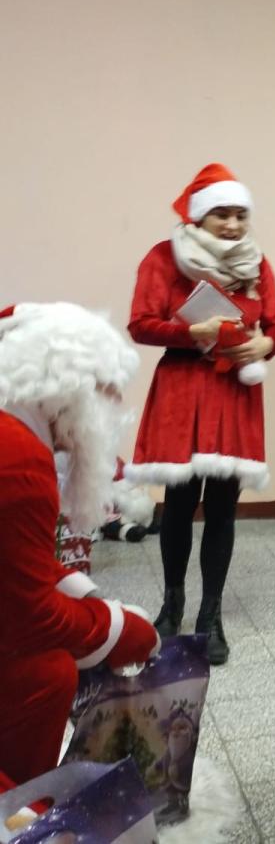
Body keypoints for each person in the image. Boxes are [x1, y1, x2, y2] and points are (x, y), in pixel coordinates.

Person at [126, 163, 275, 665]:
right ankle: (172, 604)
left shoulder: (256, 262)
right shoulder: (164, 257)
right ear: (198, 216)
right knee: (178, 503)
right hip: (182, 389)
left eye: (241, 215)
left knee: (222, 507)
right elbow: (140, 324)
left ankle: (210, 616)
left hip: (234, 392)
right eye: (223, 214)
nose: (234, 225)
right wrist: (190, 333)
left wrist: (266, 344)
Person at [0, 303, 161, 785]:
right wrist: (122, 630)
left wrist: (89, 599)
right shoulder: (18, 457)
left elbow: (15, 564)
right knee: (48, 672)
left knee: (51, 668)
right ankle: (21, 806)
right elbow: (30, 618)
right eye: (104, 392)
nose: (113, 409)